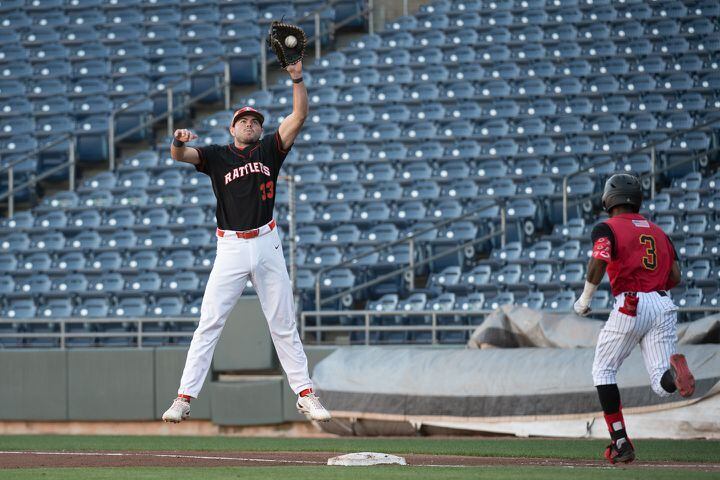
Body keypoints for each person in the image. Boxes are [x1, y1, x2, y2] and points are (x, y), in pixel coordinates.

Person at [161, 60, 331, 423]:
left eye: (255, 120)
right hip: (231, 247)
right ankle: (184, 397)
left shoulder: (270, 149)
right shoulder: (218, 156)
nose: (250, 124)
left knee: (283, 323)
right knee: (209, 322)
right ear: (232, 127)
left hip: (267, 242)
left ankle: (306, 394)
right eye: (244, 120)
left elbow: (299, 115)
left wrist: (296, 78)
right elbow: (179, 156)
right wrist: (177, 140)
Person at [573, 173, 695, 464]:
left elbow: (600, 259)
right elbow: (675, 276)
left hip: (631, 303)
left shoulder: (607, 227)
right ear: (637, 199)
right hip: (663, 304)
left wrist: (584, 299)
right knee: (660, 384)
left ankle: (620, 442)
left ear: (608, 199)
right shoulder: (659, 232)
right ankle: (675, 375)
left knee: (603, 370)